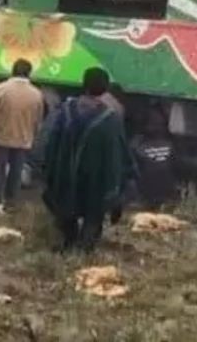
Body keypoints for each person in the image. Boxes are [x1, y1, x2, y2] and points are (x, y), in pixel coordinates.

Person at [43, 67, 132, 253]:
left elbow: (51, 144)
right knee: (93, 217)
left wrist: (49, 172)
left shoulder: (65, 111)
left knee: (66, 212)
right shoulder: (110, 120)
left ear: (83, 84)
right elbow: (117, 156)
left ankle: (68, 243)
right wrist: (116, 189)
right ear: (106, 88)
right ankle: (83, 250)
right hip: (95, 181)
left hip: (65, 176)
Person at [0, 59, 45, 212]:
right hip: (23, 139)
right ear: (29, 73)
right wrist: (32, 135)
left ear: (12, 70)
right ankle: (11, 202)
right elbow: (38, 120)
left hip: (0, 137)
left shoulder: (0, 89)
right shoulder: (36, 94)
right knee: (16, 172)